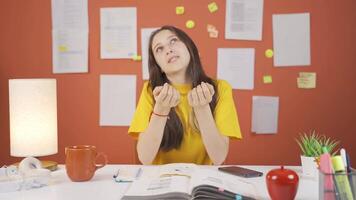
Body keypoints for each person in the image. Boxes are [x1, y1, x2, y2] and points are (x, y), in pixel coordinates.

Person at [128, 25, 241, 165]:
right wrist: (161, 109)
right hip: (161, 181)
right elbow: (144, 158)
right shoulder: (150, 91)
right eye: (159, 49)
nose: (168, 50)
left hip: (203, 181)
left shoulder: (221, 88)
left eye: (173, 41)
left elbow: (219, 157)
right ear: (158, 67)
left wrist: (202, 108)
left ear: (189, 48)